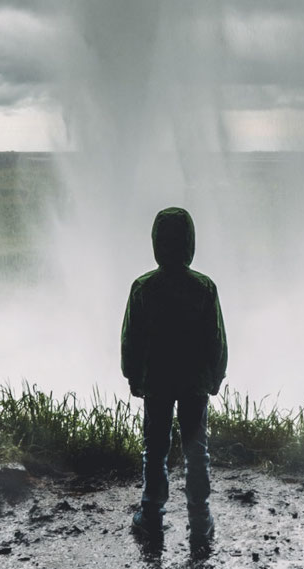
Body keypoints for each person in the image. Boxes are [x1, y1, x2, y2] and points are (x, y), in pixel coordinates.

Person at [121, 206, 228, 549]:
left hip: (156, 383)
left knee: (155, 450)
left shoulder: (142, 288)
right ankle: (200, 519)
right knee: (197, 451)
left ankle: (151, 514)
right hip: (195, 384)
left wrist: (133, 377)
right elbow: (217, 340)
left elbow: (130, 341)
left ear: (156, 243)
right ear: (189, 243)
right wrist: (216, 377)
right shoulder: (204, 288)